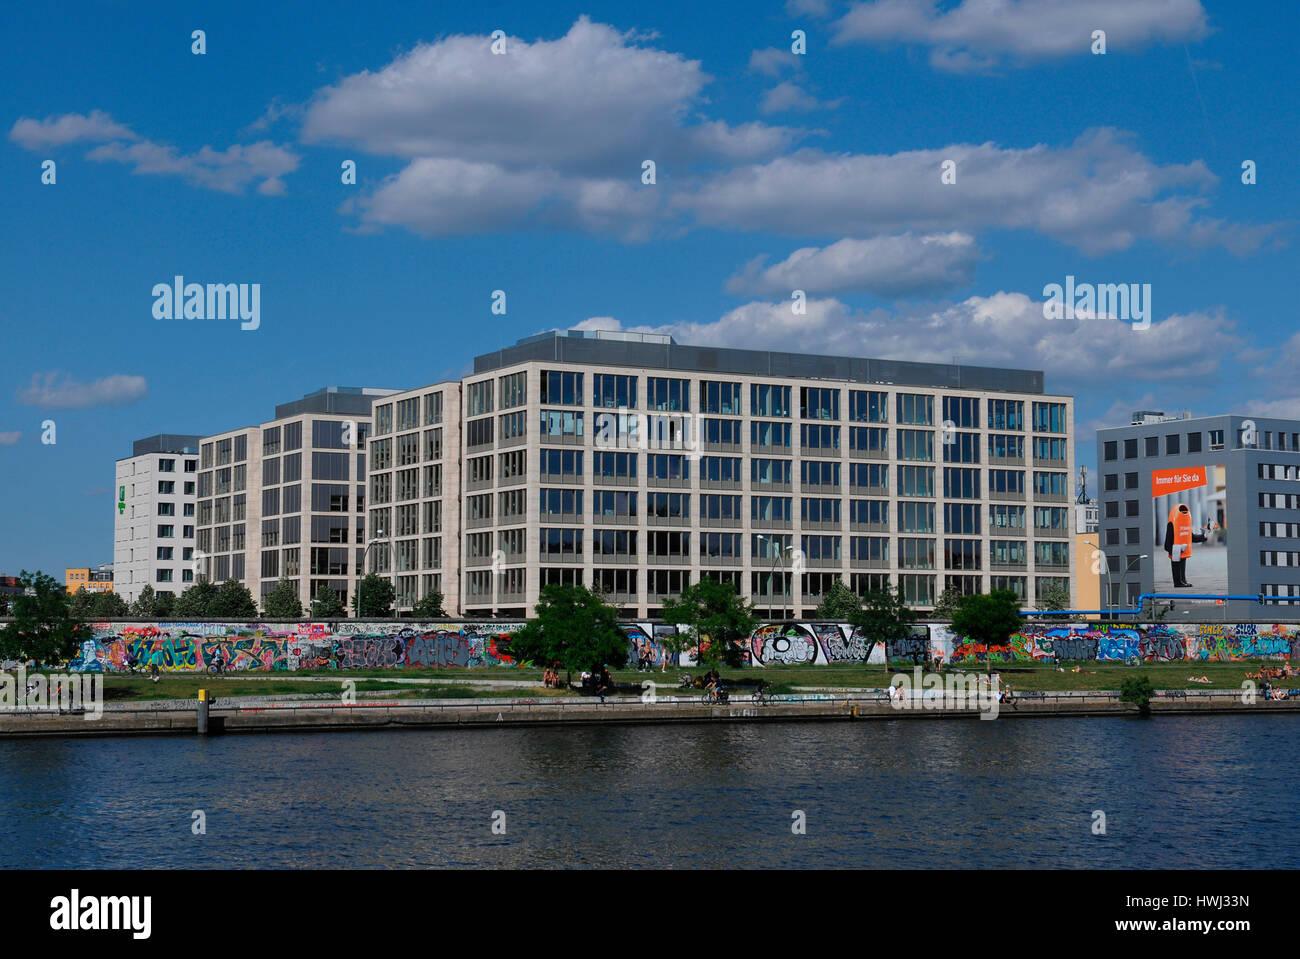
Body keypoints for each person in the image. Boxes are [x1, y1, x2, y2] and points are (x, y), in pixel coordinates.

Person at [1163, 503, 1208, 588]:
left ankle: (1183, 580)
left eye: (1185, 512)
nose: (1184, 514)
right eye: (1182, 512)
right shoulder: (1172, 524)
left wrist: (1204, 536)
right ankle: (1178, 582)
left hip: (1182, 550)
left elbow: (1191, 537)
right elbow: (1167, 543)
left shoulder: (1184, 524)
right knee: (1177, 564)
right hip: (1175, 550)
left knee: (1183, 562)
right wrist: (1173, 550)